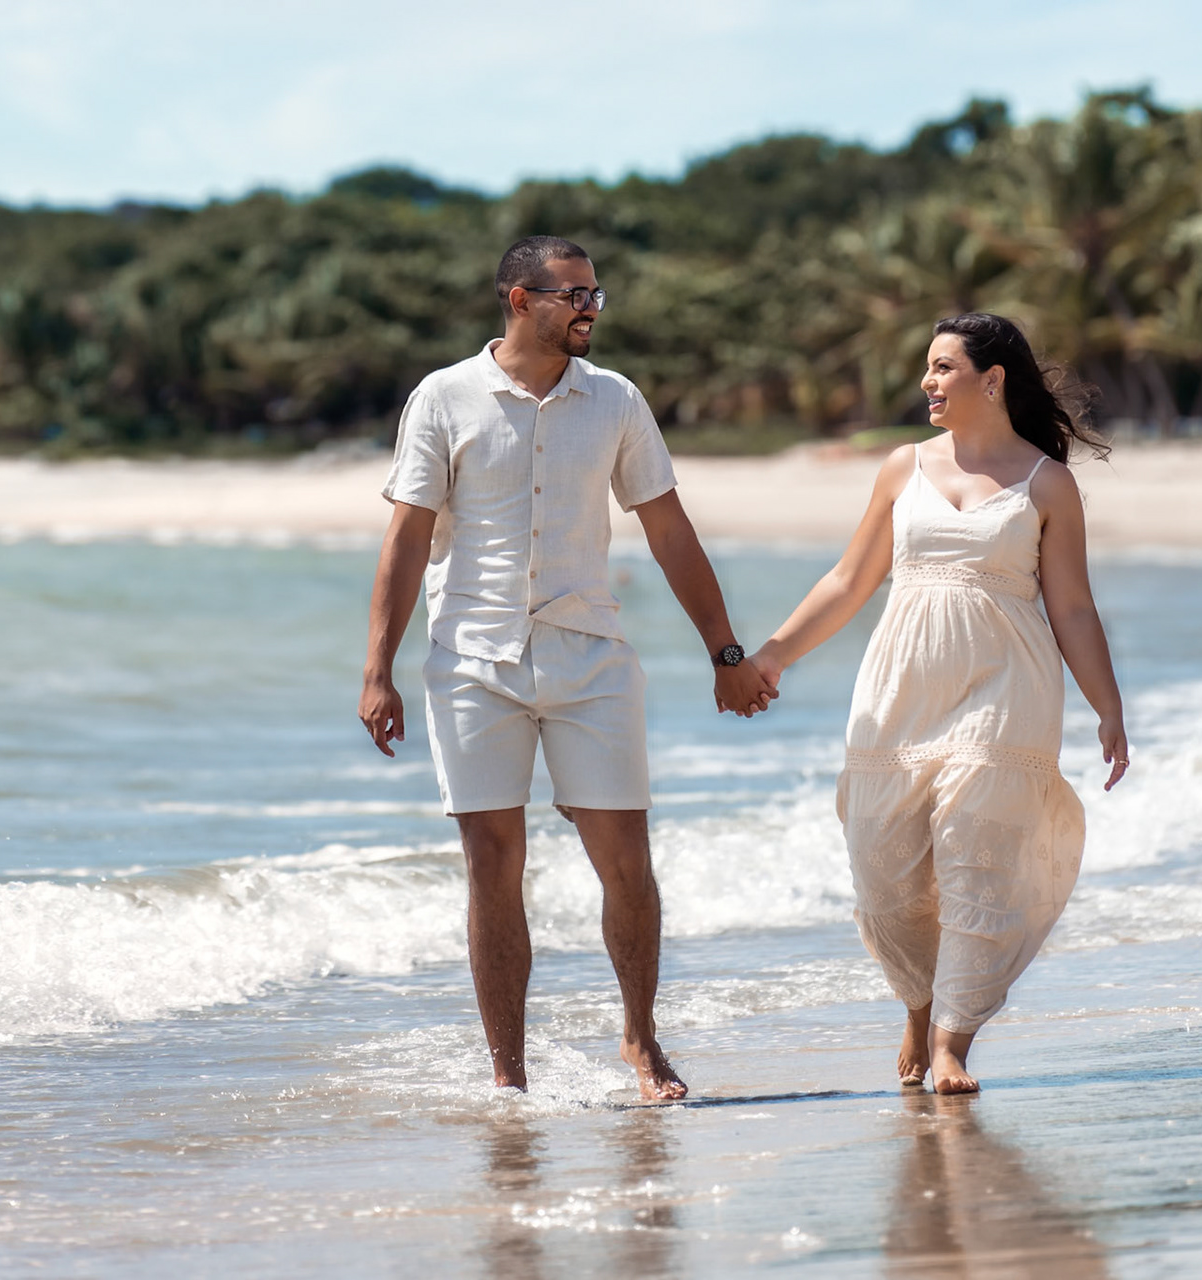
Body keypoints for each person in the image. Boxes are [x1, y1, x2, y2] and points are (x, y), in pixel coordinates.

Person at [358, 235, 777, 1100]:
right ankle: (508, 1072)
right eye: (572, 294)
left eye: (595, 293)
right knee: (492, 863)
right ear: (518, 300)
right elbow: (404, 542)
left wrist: (726, 652)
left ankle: (641, 1042)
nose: (589, 308)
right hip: (473, 662)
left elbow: (669, 530)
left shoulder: (616, 400)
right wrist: (378, 670)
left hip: (592, 657)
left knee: (627, 860)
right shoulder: (442, 398)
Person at [750, 313, 1129, 1094]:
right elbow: (849, 581)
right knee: (886, 874)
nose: (927, 381)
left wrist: (1108, 707)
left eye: (943, 367)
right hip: (901, 688)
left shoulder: (1047, 483)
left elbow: (1075, 611)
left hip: (1006, 689)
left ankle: (954, 1041)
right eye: (927, 367)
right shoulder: (903, 468)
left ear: (992, 381)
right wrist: (773, 654)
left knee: (974, 858)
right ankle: (919, 1003)